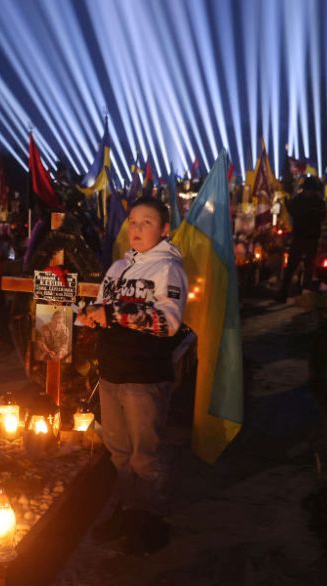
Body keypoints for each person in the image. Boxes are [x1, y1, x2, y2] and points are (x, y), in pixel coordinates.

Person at [79, 195, 187, 553]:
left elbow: (168, 323)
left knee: (145, 456)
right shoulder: (117, 268)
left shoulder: (167, 269)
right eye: (133, 221)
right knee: (119, 452)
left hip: (144, 376)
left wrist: (113, 314)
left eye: (147, 222)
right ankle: (125, 510)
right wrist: (88, 315)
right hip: (113, 373)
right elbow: (101, 310)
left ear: (164, 229)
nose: (137, 229)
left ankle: (150, 520)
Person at [276, 176, 325, 302]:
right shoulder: (303, 200)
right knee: (292, 266)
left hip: (310, 238)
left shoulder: (318, 202)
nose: (308, 192)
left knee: (309, 268)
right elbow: (293, 210)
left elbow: (320, 215)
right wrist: (287, 203)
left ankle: (305, 295)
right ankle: (284, 293)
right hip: (300, 237)